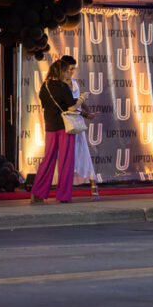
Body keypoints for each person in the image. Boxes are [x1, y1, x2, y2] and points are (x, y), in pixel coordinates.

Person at [31, 58, 82, 204]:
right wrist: (82, 99)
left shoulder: (44, 86)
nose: (68, 73)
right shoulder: (63, 86)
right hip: (65, 127)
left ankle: (38, 193)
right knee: (66, 161)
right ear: (61, 71)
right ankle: (63, 196)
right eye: (66, 70)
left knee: (48, 160)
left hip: (50, 127)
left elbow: (45, 106)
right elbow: (72, 107)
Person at [61, 55, 98, 200]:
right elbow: (67, 106)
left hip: (77, 123)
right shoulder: (59, 84)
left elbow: (79, 100)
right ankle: (64, 187)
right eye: (69, 69)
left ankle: (93, 184)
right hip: (65, 122)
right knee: (67, 156)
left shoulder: (74, 82)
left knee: (83, 152)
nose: (72, 72)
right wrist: (83, 112)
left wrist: (89, 112)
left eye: (73, 69)